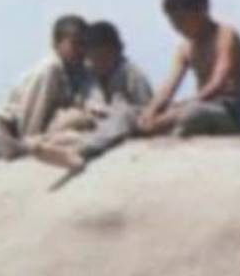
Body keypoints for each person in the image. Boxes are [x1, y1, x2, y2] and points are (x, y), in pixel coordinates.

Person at [32, 20, 154, 171]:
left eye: (104, 57)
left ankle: (78, 152)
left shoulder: (131, 74)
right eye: (94, 58)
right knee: (69, 117)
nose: (100, 63)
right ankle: (44, 144)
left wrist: (112, 112)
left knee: (123, 114)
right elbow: (80, 102)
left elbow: (146, 109)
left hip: (122, 123)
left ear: (118, 50)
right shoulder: (89, 76)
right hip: (93, 124)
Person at [138, 0, 240, 137]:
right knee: (134, 113)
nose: (177, 27)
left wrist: (182, 108)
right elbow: (169, 87)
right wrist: (150, 111)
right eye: (173, 22)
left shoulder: (225, 36)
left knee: (191, 113)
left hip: (226, 113)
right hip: (197, 106)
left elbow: (218, 83)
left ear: (202, 10)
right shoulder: (186, 48)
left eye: (181, 20)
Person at [0, 15, 92, 163]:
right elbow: (31, 117)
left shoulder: (82, 70)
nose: (81, 50)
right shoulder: (49, 70)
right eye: (75, 44)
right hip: (10, 133)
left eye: (85, 44)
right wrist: (30, 145)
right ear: (57, 44)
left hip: (43, 131)